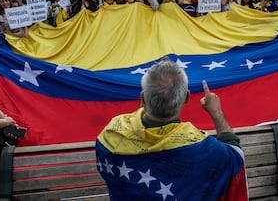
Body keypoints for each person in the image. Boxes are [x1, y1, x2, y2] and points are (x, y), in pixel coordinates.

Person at [96, 59, 248, 200]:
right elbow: (235, 156)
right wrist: (216, 113)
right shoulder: (203, 149)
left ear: (142, 98)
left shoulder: (111, 135)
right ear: (187, 97)